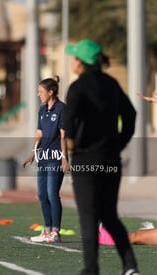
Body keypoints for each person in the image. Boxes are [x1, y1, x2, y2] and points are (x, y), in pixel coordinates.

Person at [63, 39, 139, 275]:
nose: (72, 60)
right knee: (108, 215)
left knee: (88, 214)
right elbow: (131, 114)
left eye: (74, 57)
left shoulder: (77, 87)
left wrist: (72, 148)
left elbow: (69, 122)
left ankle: (91, 268)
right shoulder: (111, 83)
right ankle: (130, 266)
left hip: (86, 160)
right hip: (110, 158)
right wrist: (121, 141)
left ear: (81, 62)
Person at [22, 76, 70, 243]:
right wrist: (32, 154)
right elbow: (39, 134)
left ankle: (56, 232)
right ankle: (47, 229)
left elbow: (63, 136)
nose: (38, 94)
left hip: (56, 158)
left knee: (52, 194)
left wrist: (64, 159)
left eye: (41, 92)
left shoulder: (62, 109)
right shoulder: (42, 110)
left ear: (51, 92)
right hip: (43, 157)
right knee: (42, 195)